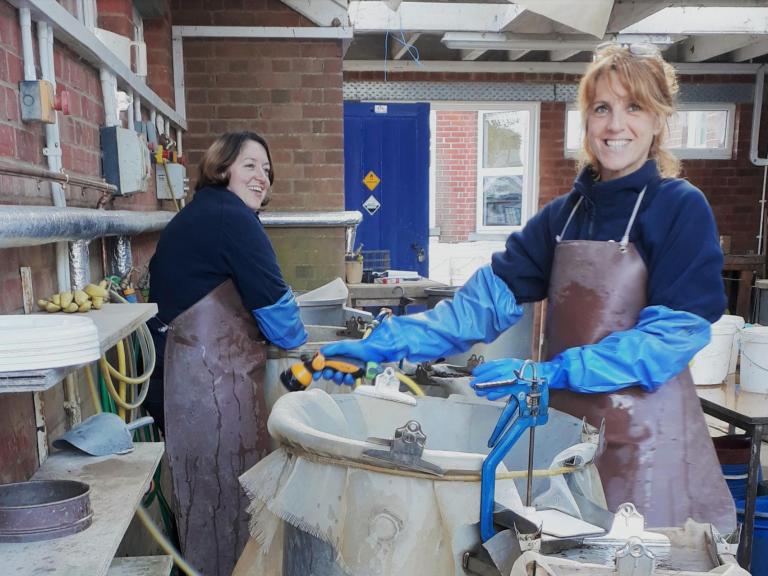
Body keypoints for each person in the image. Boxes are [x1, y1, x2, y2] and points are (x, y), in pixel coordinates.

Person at [320, 44, 735, 534]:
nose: (615, 124)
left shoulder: (678, 207)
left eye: (634, 107)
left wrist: (552, 372)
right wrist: (383, 346)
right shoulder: (563, 218)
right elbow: (473, 311)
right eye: (602, 108)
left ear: (659, 119)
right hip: (568, 446)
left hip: (649, 449)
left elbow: (668, 340)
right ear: (586, 119)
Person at [146, 131, 307, 576]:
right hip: (212, 388)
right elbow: (284, 322)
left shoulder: (204, 213)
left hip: (189, 383)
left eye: (267, 170)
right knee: (227, 511)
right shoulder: (231, 218)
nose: (263, 177)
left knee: (204, 508)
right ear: (222, 167)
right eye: (251, 165)